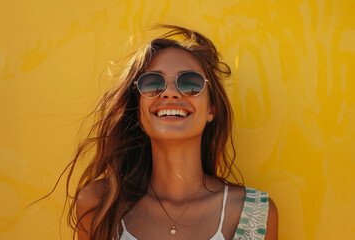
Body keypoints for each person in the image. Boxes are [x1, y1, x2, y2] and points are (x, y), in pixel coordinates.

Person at [57, 25, 278, 240]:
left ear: (212, 109)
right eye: (153, 83)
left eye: (190, 83)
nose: (170, 93)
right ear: (138, 112)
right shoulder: (99, 206)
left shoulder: (255, 215)